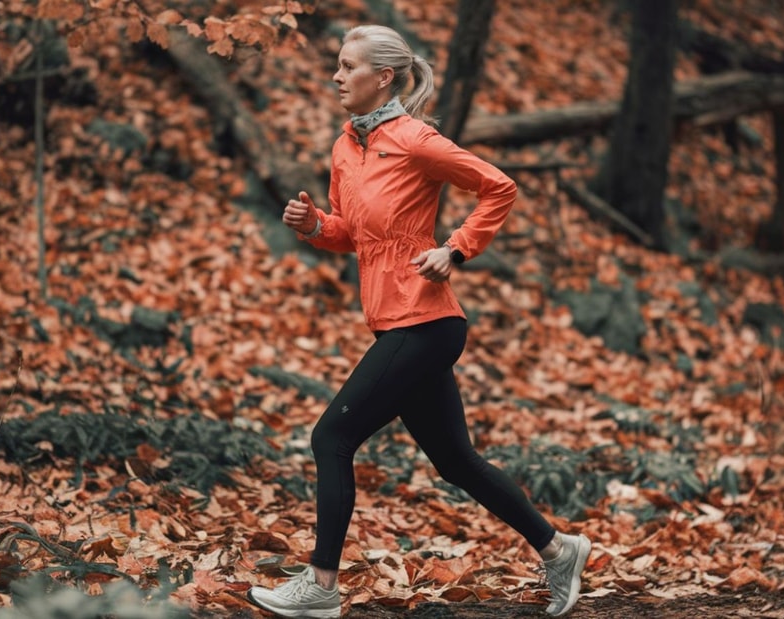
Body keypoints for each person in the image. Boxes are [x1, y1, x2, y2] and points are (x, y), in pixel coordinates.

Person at [246, 24, 591, 618]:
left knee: (331, 436)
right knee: (455, 461)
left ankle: (321, 586)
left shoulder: (416, 139)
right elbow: (352, 234)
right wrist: (312, 225)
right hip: (392, 321)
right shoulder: (344, 147)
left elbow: (498, 187)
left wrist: (455, 247)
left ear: (382, 77)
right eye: (336, 64)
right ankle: (559, 549)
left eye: (347, 66)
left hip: (426, 322)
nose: (335, 76)